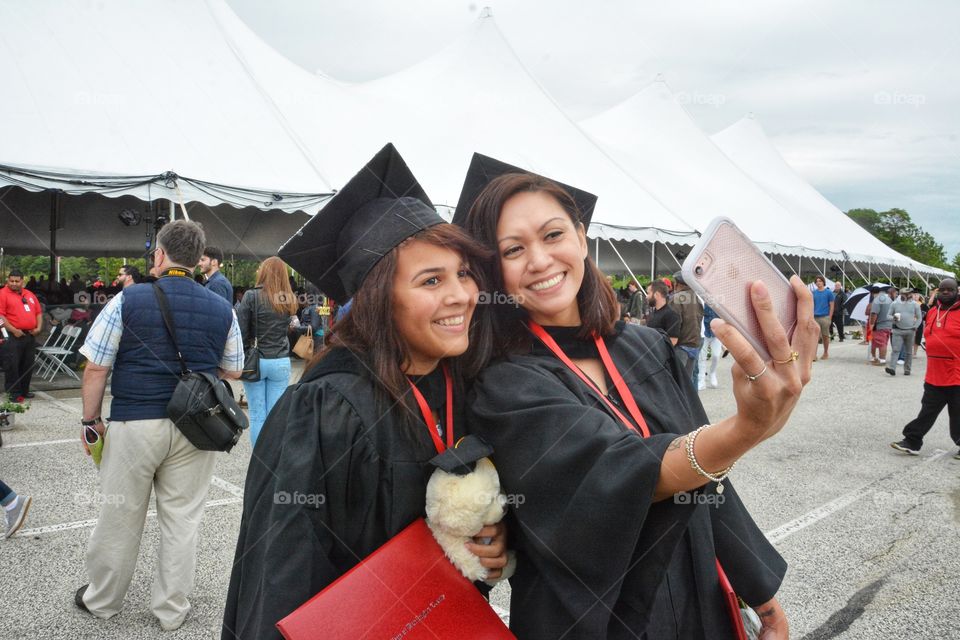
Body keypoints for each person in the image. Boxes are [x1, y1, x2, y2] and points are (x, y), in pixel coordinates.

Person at [455, 153, 817, 639]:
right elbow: (621, 472)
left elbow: (711, 480)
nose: (540, 260)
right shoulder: (502, 384)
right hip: (590, 613)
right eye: (512, 250)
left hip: (695, 590)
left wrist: (761, 592)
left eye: (553, 234)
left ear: (582, 238)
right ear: (493, 271)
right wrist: (746, 428)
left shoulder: (645, 346)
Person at [222, 144, 507, 640]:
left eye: (463, 273)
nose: (461, 294)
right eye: (431, 279)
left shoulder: (457, 386)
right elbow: (281, 580)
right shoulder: (326, 410)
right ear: (379, 299)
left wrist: (492, 540)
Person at [75, 219, 243, 631]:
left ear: (160, 255)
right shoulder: (222, 307)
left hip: (135, 421)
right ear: (198, 259)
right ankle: (171, 611)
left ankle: (102, 600)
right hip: (195, 426)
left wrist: (90, 420)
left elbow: (96, 366)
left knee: (120, 515)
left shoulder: (128, 300)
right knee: (182, 519)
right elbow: (233, 371)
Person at [891, 278, 960, 458]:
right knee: (927, 412)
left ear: (957, 291)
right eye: (942, 289)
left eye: (950, 289)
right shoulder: (932, 312)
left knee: (958, 415)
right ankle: (912, 441)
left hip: (956, 374)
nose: (945, 292)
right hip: (934, 374)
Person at [235, 257, 298, 445]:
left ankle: (258, 463)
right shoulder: (287, 297)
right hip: (280, 361)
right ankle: (273, 461)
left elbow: (241, 330)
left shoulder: (251, 296)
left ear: (264, 272)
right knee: (274, 416)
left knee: (257, 415)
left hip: (256, 361)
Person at [0, 270, 43, 402]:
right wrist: (13, 330)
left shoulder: (29, 294)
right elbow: (1, 316)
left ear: (22, 281)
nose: (13, 283)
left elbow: (38, 312)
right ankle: (13, 393)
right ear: (8, 280)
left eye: (16, 281)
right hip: (12, 335)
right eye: (11, 281)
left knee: (27, 364)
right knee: (12, 364)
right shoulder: (2, 294)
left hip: (29, 334)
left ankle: (24, 391)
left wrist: (39, 327)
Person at [669, 270, 704, 387]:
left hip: (681, 345)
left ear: (678, 284)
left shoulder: (677, 298)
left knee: (675, 383)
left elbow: (673, 323)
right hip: (694, 344)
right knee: (687, 384)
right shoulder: (696, 298)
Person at [887, 288, 922, 376]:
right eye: (905, 294)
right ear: (901, 294)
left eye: (909, 294)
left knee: (909, 351)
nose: (907, 296)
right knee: (895, 350)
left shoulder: (915, 305)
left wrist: (916, 326)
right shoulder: (894, 304)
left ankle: (907, 370)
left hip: (910, 330)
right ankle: (892, 368)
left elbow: (919, 317)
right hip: (897, 330)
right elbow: (888, 316)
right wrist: (894, 318)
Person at [699, 302, 723, 389]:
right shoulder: (700, 299)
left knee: (716, 355)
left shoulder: (719, 300)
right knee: (702, 357)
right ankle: (701, 379)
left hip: (716, 331)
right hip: (703, 331)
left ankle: (712, 373)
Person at [811, 276, 835, 360]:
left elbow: (832, 305)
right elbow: (811, 305)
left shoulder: (828, 292)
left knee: (825, 336)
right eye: (817, 281)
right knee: (815, 337)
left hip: (825, 317)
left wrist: (830, 317)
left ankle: (825, 353)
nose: (818, 283)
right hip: (815, 317)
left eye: (820, 281)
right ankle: (814, 355)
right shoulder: (813, 293)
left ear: (823, 282)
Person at [870, 285, 893, 365]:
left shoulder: (877, 300)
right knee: (884, 343)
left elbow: (874, 313)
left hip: (880, 325)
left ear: (872, 293)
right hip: (889, 324)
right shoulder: (889, 299)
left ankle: (882, 360)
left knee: (881, 343)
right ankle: (881, 359)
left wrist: (872, 324)